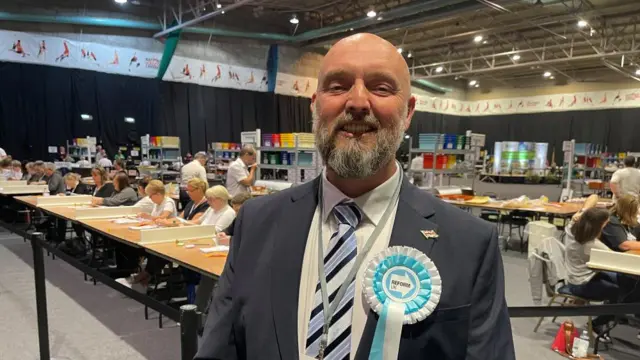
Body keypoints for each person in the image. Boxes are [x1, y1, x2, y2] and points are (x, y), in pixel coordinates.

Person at [196, 33, 514, 360]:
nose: (358, 102)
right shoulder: (256, 223)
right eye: (338, 86)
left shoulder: (470, 244)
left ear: (408, 112)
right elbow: (219, 350)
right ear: (315, 105)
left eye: (381, 88)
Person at [564, 195, 618, 337]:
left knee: (620, 280)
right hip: (581, 284)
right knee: (621, 294)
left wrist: (582, 211)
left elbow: (593, 197)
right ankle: (596, 324)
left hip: (577, 276)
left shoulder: (571, 229)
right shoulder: (592, 245)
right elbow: (616, 259)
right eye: (605, 224)